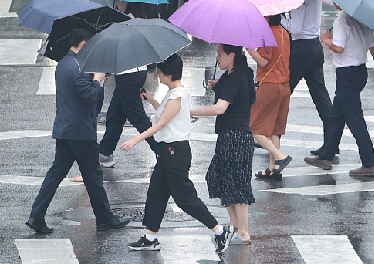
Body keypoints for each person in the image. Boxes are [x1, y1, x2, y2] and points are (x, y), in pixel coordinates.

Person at [121, 54, 231, 254]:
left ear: (169, 73)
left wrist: (135, 140)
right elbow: (165, 114)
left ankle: (220, 230)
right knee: (156, 193)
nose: (158, 77)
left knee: (185, 198)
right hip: (168, 152)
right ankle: (150, 237)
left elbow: (162, 123)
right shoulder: (174, 92)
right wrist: (151, 98)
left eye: (161, 73)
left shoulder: (177, 95)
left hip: (175, 152)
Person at [27, 28, 130, 234]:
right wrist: (98, 80)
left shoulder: (64, 64)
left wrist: (96, 82)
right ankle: (104, 218)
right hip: (80, 132)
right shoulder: (79, 67)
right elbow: (92, 98)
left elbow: (87, 96)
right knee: (93, 175)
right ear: (83, 44)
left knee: (56, 174)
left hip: (65, 128)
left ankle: (37, 215)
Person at [304, 6, 374, 176]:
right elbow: (373, 48)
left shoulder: (341, 21)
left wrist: (326, 40)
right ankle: (326, 156)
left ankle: (369, 164)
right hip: (359, 72)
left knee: (355, 121)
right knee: (336, 116)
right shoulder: (365, 18)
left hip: (346, 74)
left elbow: (339, 48)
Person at [191, 44, 254, 243]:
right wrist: (217, 86)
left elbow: (220, 108)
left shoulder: (238, 76)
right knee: (217, 178)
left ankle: (242, 231)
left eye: (220, 54)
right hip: (228, 135)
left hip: (236, 136)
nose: (217, 57)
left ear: (232, 55)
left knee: (238, 185)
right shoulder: (232, 75)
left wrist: (190, 112)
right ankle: (235, 225)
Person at [282, 0, 335, 160]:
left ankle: (269, 136)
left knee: (281, 91)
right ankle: (331, 144)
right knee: (321, 98)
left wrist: (281, 18)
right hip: (314, 46)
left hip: (301, 49)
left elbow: (295, 29)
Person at [248, 14, 293, 179]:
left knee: (255, 128)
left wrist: (250, 49)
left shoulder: (267, 34)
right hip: (284, 85)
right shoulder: (284, 32)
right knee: (275, 130)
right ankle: (273, 168)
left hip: (269, 85)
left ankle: (279, 157)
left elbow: (264, 61)